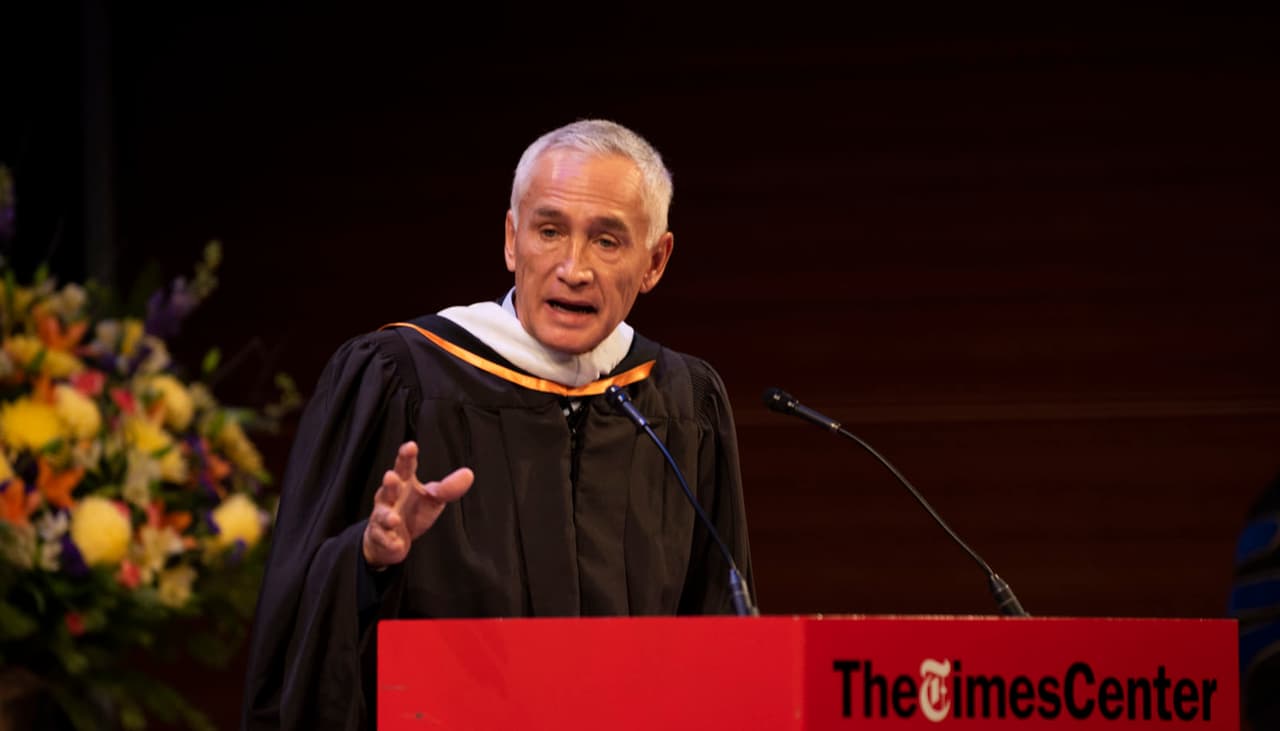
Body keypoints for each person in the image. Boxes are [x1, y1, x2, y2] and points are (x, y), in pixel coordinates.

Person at [241, 120, 754, 730]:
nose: (573, 268)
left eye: (607, 241)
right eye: (549, 231)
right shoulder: (399, 379)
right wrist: (367, 560)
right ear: (512, 241)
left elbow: (722, 626)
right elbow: (294, 620)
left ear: (655, 261)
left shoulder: (681, 403)